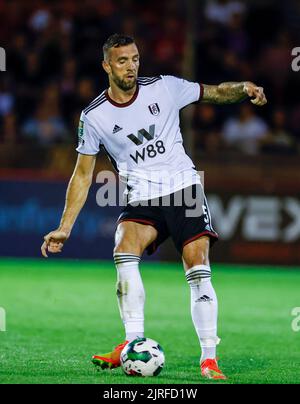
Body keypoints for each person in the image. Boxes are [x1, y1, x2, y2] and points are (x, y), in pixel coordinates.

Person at [41, 34, 267, 380]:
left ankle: (209, 357)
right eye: (122, 61)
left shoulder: (164, 88)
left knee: (196, 264)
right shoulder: (95, 116)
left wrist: (243, 88)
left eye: (134, 58)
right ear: (106, 66)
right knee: (123, 247)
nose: (131, 66)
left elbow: (215, 92)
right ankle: (133, 343)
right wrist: (65, 226)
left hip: (183, 189)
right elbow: (83, 175)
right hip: (142, 199)